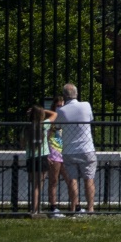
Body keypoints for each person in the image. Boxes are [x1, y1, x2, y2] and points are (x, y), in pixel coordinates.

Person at [50, 82, 98, 215]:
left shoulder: (61, 110)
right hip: (87, 148)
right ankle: (90, 209)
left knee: (73, 179)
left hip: (69, 149)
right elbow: (90, 119)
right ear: (76, 94)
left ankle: (74, 208)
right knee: (89, 178)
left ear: (64, 96)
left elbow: (57, 126)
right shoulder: (86, 105)